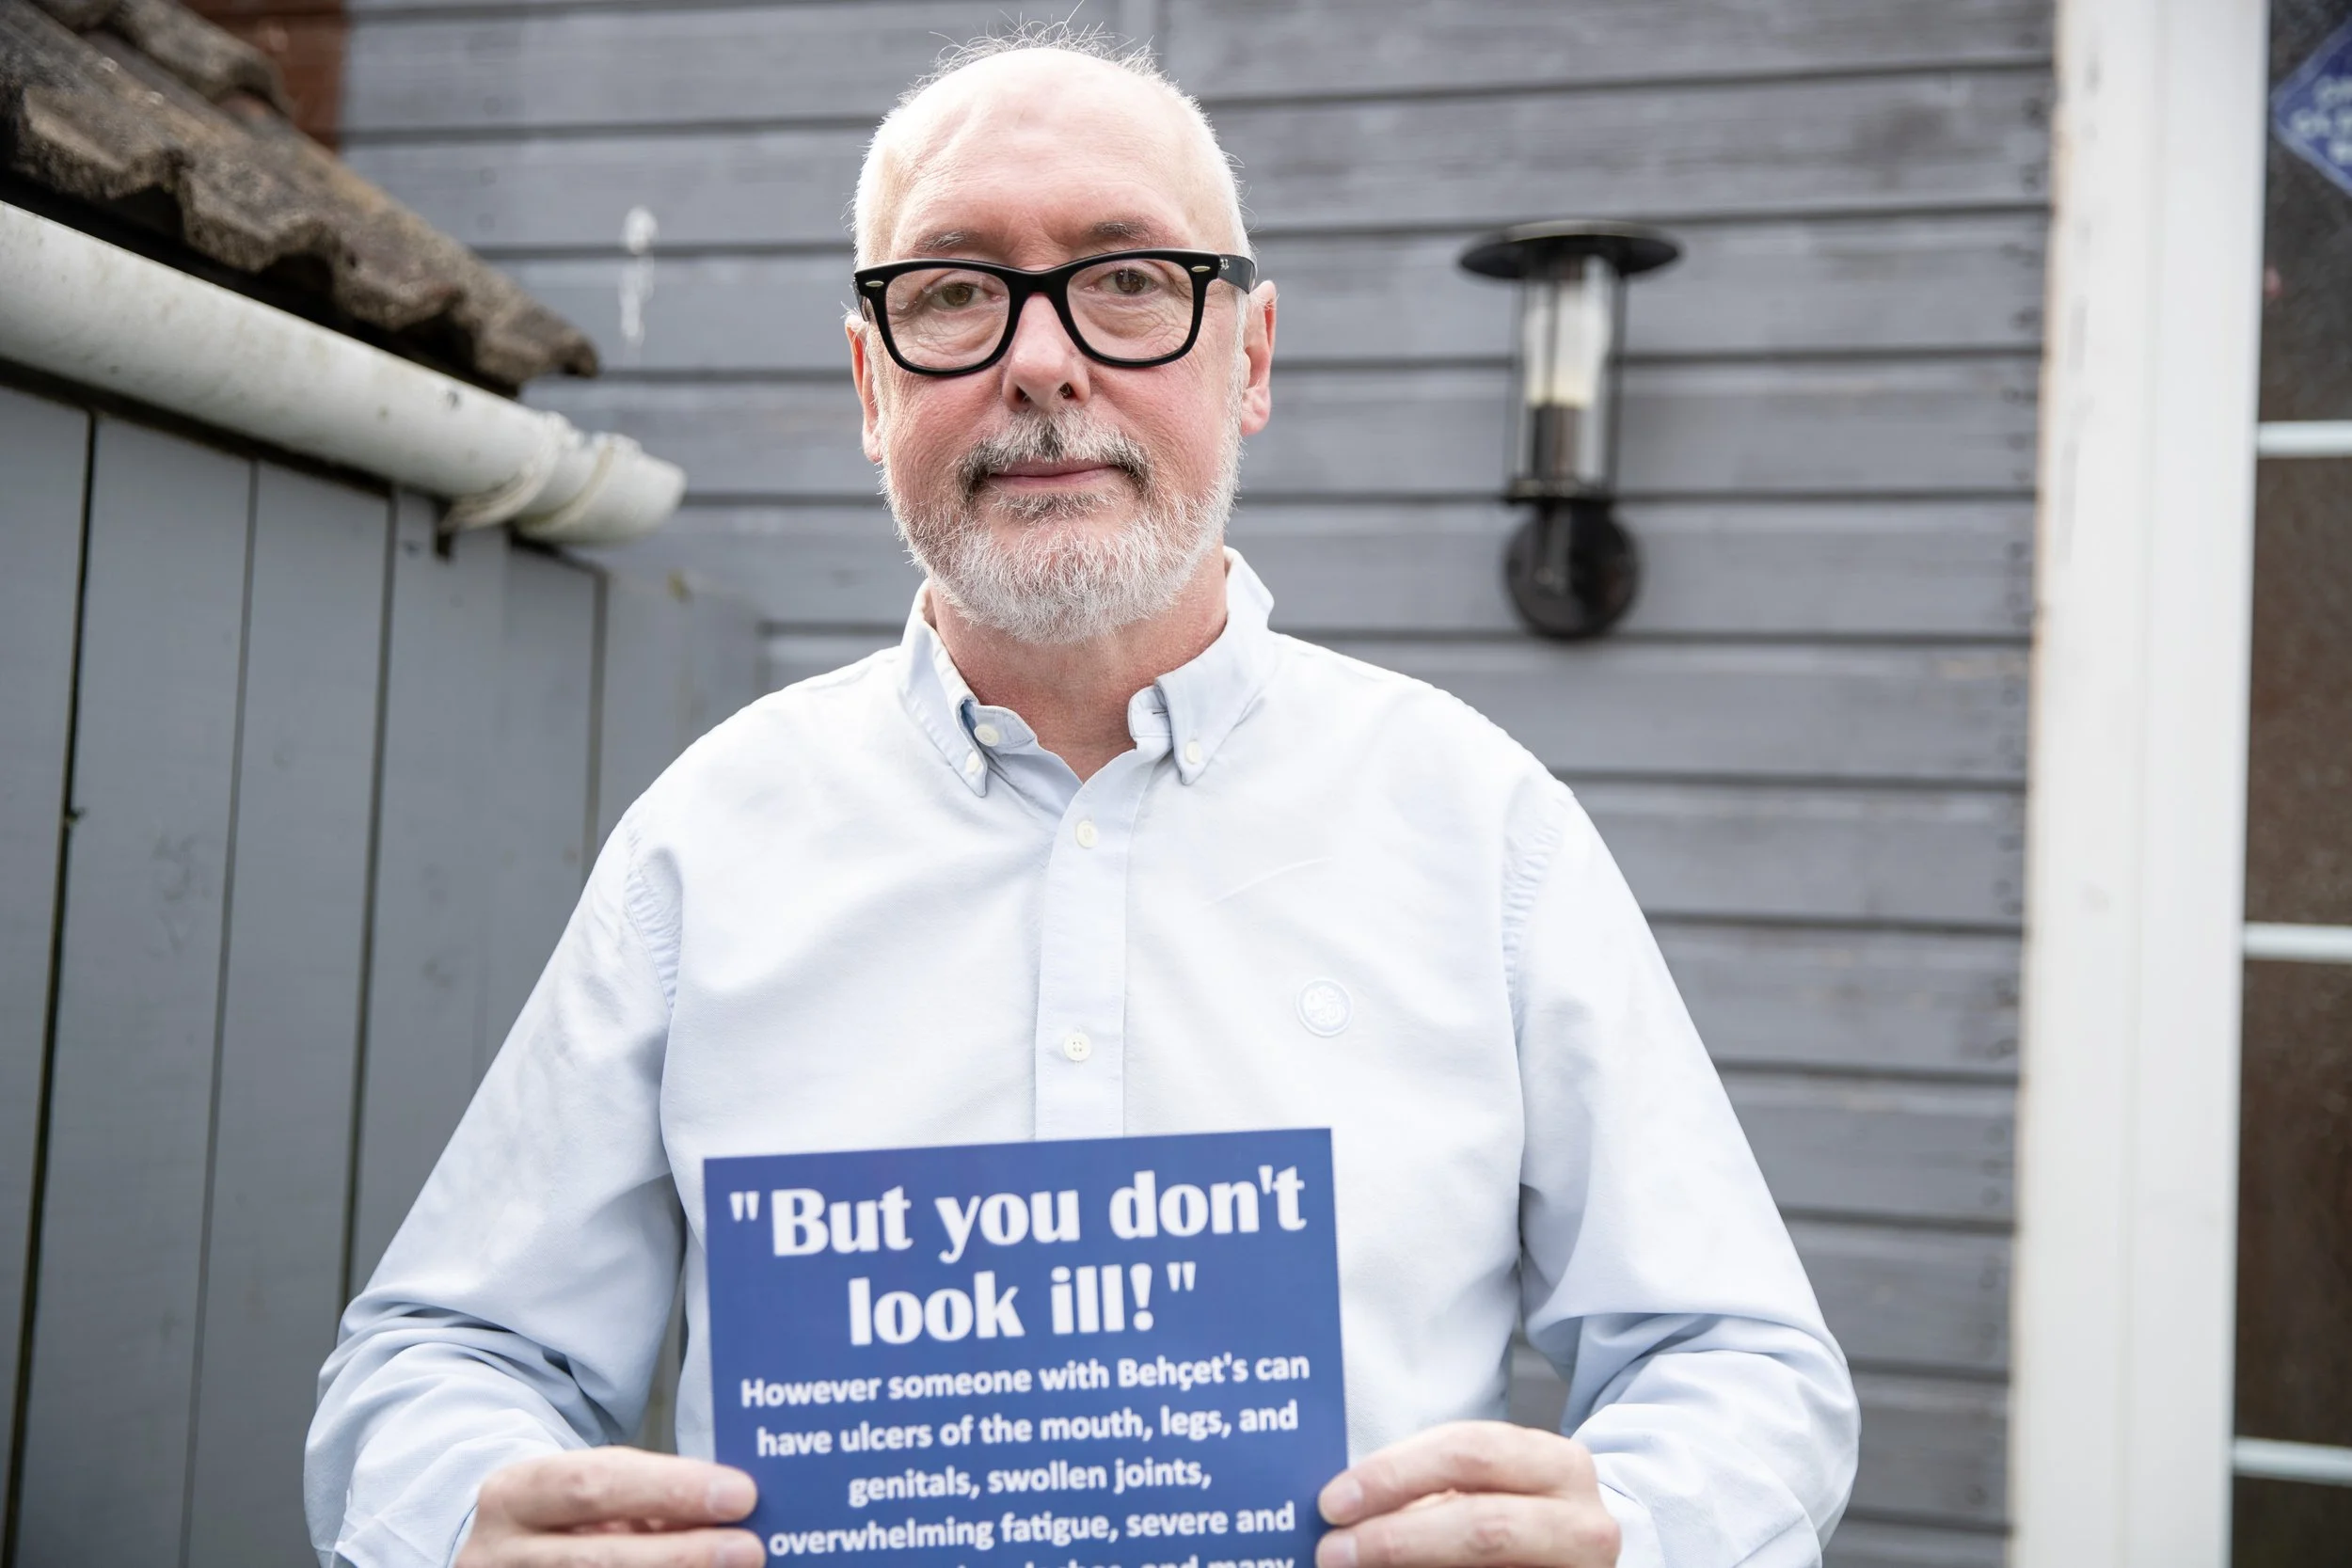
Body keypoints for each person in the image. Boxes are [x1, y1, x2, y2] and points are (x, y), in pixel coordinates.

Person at [308, 30, 1858, 1568]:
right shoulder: (707, 845)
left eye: (1126, 279)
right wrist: (463, 1518)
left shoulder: (1481, 827)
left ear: (1246, 357)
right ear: (872, 380)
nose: (1037, 358)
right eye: (955, 290)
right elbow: (432, 1358)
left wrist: (1633, 1531)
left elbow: (1741, 1368)